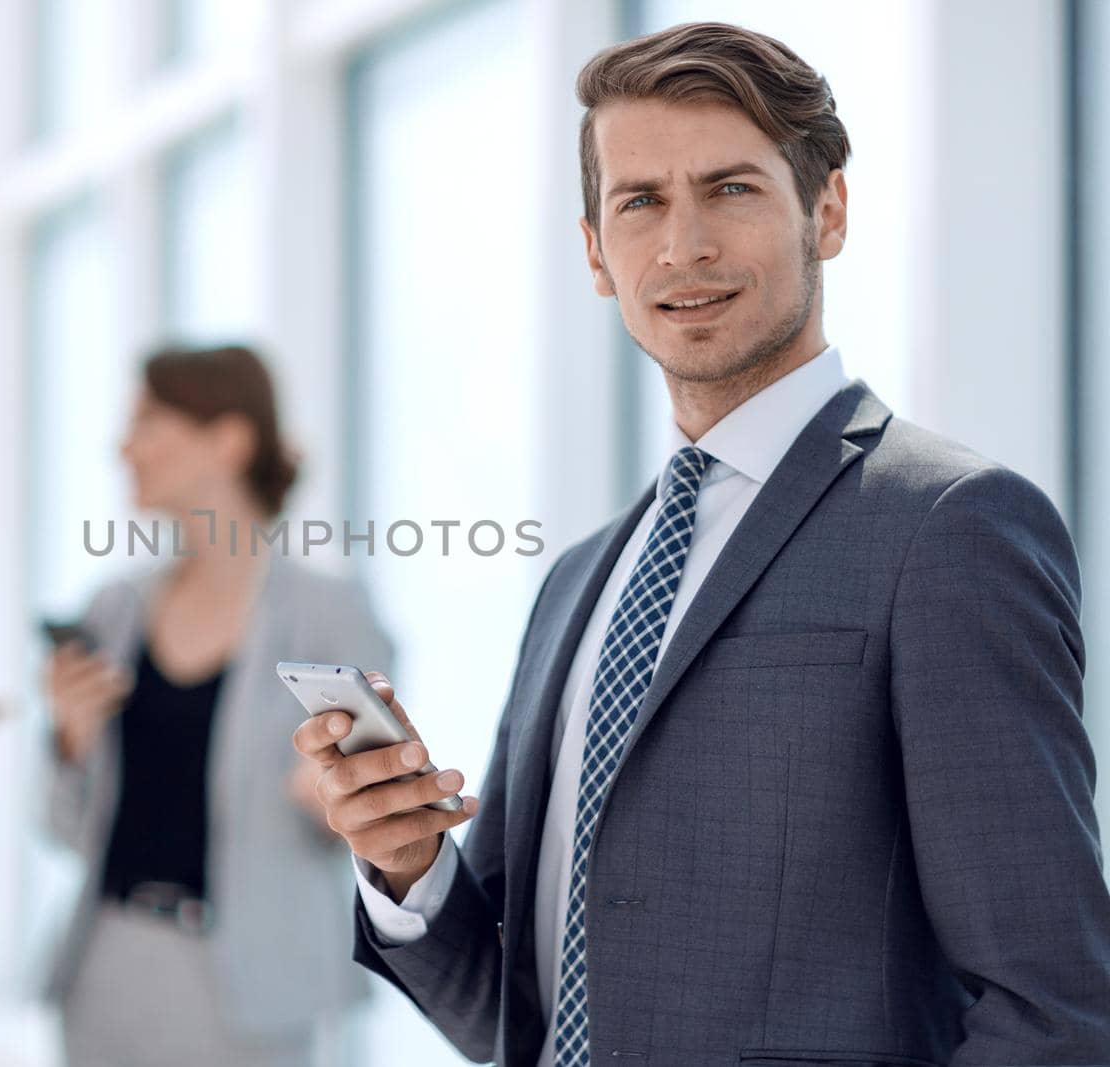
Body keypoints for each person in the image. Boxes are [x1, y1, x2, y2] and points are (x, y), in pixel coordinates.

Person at [293, 21, 1110, 1067]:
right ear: (595, 250)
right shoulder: (578, 580)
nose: (684, 247)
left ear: (827, 211)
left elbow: (1051, 1001)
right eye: (640, 203)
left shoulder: (949, 526)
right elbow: (518, 1011)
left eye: (730, 189)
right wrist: (406, 868)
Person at [41, 344, 391, 1066]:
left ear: (228, 440)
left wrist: (338, 799)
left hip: (248, 983)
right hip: (105, 965)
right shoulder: (114, 610)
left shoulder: (327, 614)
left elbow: (375, 814)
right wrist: (68, 741)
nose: (122, 445)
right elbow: (67, 829)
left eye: (146, 419)